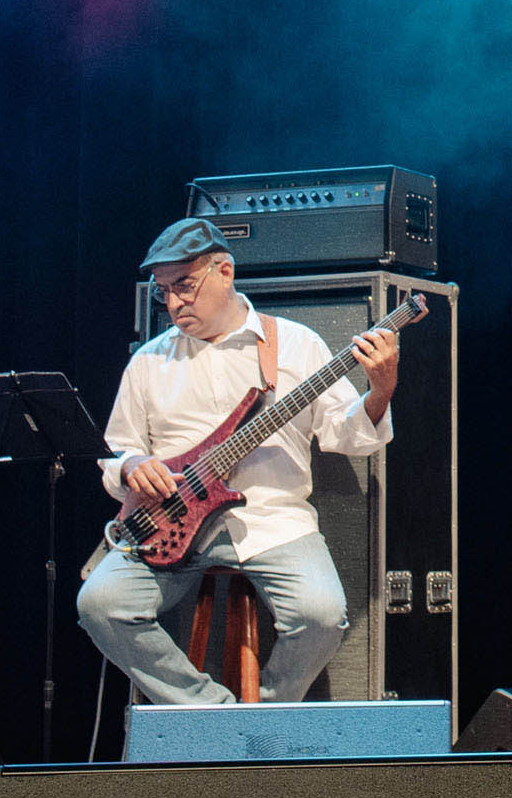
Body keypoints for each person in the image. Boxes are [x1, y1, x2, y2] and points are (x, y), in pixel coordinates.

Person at [76, 219, 401, 707]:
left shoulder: (295, 344)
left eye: (184, 286)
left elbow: (347, 436)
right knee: (100, 604)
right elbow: (117, 452)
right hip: (169, 523)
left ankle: (265, 714)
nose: (173, 303)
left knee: (321, 616)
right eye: (164, 291)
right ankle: (211, 714)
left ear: (224, 271)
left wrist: (381, 389)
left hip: (272, 521)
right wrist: (131, 467)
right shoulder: (148, 361)